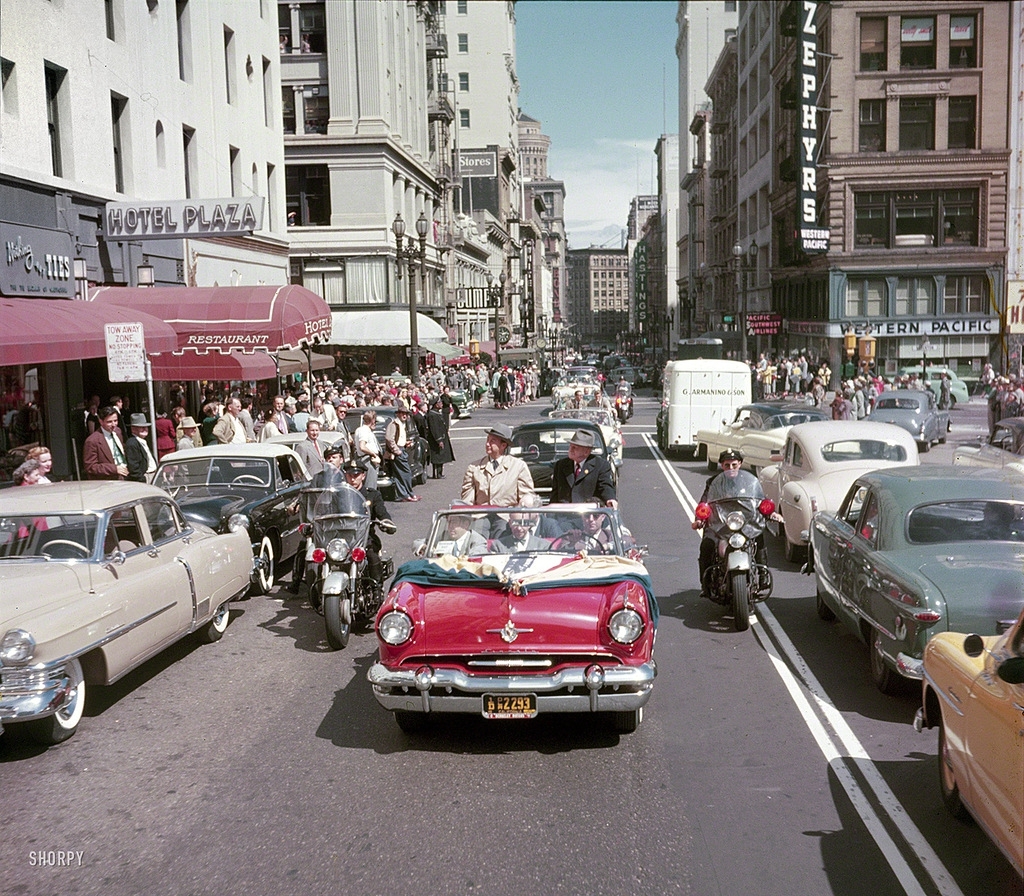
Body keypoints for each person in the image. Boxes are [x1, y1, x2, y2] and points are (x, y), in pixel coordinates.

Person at [691, 448, 766, 599]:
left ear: (740, 464)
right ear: (721, 465)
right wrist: (699, 519)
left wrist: (770, 513)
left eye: (734, 465)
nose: (731, 468)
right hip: (720, 523)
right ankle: (705, 584)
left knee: (759, 536)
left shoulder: (749, 481)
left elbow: (759, 500)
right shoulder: (714, 483)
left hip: (744, 522)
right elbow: (705, 502)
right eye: (727, 465)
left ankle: (763, 574)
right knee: (707, 543)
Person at [340, 457, 392, 587]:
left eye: (356, 475)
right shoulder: (339, 495)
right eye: (349, 475)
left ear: (363, 476)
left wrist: (386, 522)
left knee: (371, 554)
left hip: (365, 538)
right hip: (343, 538)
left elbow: (382, 512)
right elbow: (328, 512)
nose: (353, 479)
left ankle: (376, 588)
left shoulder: (372, 495)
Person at [461, 423, 535, 506]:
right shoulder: (474, 468)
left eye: (492, 441)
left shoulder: (518, 466)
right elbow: (467, 501)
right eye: (487, 439)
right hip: (482, 515)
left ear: (503, 445)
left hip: (507, 516)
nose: (487, 444)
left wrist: (518, 515)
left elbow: (526, 498)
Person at [550, 429, 617, 508]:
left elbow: (605, 486)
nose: (571, 450)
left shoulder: (600, 466)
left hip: (589, 515)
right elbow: (555, 494)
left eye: (575, 447)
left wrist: (610, 499)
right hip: (565, 515)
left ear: (586, 451)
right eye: (570, 446)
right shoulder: (561, 465)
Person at [83, 406, 129, 480]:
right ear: (101, 422)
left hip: (125, 476)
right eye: (109, 422)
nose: (114, 424)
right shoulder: (92, 441)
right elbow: (90, 467)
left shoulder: (118, 431)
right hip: (108, 480)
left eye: (115, 421)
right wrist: (114, 469)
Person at [384, 404, 418, 502]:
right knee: (406, 473)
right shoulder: (394, 424)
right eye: (402, 413)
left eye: (406, 414)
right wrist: (397, 450)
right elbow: (389, 439)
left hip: (402, 449)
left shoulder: (402, 424)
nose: (405, 416)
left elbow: (398, 438)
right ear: (398, 414)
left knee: (399, 475)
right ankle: (408, 494)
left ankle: (402, 495)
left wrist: (405, 443)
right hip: (397, 452)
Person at [354, 409, 384, 490]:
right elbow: (362, 446)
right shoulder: (363, 430)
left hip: (369, 460)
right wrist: (373, 454)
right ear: (372, 420)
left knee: (372, 485)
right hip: (367, 460)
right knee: (370, 487)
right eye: (375, 421)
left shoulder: (366, 430)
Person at [426, 396, 454, 479]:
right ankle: (437, 473)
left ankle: (440, 472)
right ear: (436, 404)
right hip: (437, 439)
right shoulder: (432, 415)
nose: (441, 404)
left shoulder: (437, 413)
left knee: (441, 456)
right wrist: (439, 440)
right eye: (440, 402)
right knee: (437, 457)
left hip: (443, 436)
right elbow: (435, 429)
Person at [125, 413, 158, 482]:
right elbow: (133, 467)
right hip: (146, 477)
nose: (145, 429)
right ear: (133, 429)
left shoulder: (143, 441)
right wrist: (143, 479)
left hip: (152, 475)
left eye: (146, 427)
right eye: (141, 427)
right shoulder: (132, 443)